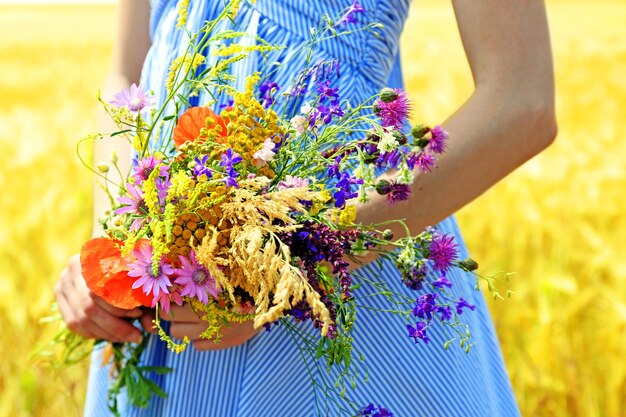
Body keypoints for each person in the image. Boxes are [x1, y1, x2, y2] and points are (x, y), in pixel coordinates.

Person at [55, 0, 556, 415]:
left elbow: (521, 101)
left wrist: (287, 268)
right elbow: (130, 71)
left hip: (338, 270)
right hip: (165, 281)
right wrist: (112, 251)